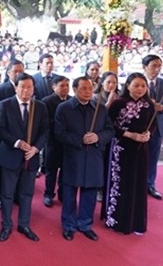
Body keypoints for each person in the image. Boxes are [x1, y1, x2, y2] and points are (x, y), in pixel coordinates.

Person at [54, 77, 113, 242]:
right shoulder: (64, 108)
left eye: (90, 88)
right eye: (83, 89)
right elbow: (59, 133)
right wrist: (81, 139)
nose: (88, 92)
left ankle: (85, 224)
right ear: (74, 90)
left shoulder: (100, 108)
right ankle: (69, 225)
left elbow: (110, 131)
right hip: (73, 156)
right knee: (69, 193)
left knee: (90, 193)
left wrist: (97, 137)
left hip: (94, 156)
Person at [0, 73, 48, 243]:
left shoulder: (40, 107)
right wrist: (17, 142)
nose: (26, 90)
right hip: (11, 155)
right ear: (15, 87)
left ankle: (24, 224)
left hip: (30, 157)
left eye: (29, 87)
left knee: (27, 193)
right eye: (22, 87)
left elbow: (45, 131)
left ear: (34, 89)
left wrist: (36, 148)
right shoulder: (5, 105)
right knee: (7, 194)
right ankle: (6, 225)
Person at [103, 72, 154, 235]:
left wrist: (147, 134)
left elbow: (151, 125)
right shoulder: (118, 103)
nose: (140, 89)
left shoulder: (149, 104)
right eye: (136, 85)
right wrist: (129, 134)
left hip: (140, 150)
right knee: (120, 183)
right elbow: (109, 125)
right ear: (128, 86)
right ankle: (116, 220)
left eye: (143, 86)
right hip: (121, 148)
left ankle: (137, 222)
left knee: (138, 183)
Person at [0, 59, 25, 209]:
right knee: (4, 166)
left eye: (21, 71)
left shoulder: (27, 87)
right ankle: (1, 196)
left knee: (20, 167)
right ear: (8, 72)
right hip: (6, 134)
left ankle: (17, 194)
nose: (18, 74)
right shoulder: (2, 89)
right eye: (15, 71)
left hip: (23, 135)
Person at [142, 54, 163, 200]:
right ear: (144, 67)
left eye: (159, 66)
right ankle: (135, 184)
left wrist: (162, 108)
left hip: (158, 127)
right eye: (153, 66)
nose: (156, 69)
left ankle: (150, 184)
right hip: (140, 127)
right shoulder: (138, 82)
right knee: (137, 157)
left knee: (153, 157)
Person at [42, 75, 70, 207]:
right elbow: (44, 123)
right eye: (62, 85)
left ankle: (63, 193)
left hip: (68, 142)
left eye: (67, 85)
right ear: (54, 87)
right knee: (51, 170)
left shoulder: (72, 100)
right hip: (52, 142)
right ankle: (48, 194)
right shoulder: (46, 102)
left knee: (66, 170)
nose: (65, 88)